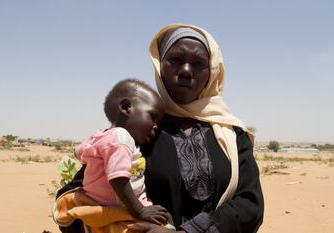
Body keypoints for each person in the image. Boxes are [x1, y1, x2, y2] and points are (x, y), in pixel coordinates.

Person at [56, 23, 264, 233]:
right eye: (175, 60)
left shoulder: (231, 133)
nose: (185, 70)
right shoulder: (139, 129)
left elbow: (250, 203)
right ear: (159, 65)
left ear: (211, 72)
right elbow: (76, 195)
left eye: (199, 63)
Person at [72, 79, 169, 227]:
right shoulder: (121, 138)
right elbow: (118, 178)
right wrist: (140, 211)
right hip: (122, 210)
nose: (156, 127)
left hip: (100, 207)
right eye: (152, 117)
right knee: (166, 222)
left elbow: (79, 152)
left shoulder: (99, 135)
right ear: (126, 107)